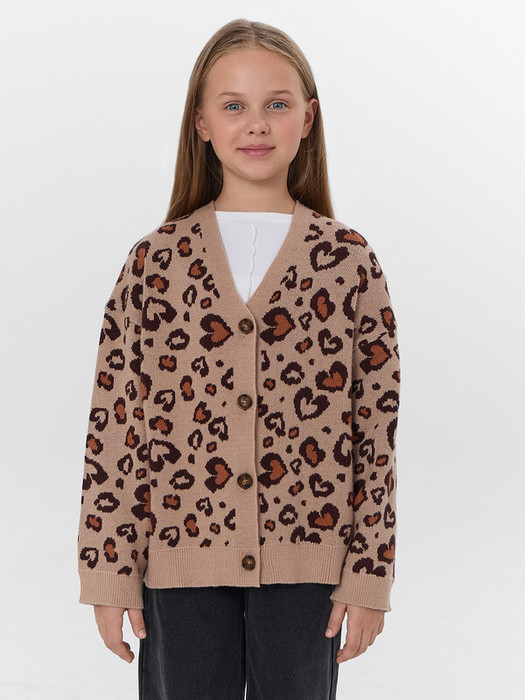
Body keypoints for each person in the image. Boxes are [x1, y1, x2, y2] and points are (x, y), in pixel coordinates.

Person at [77, 18, 401, 700]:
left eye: (276, 103)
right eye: (233, 105)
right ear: (200, 122)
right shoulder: (154, 263)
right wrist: (109, 571)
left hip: (309, 566)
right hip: (178, 563)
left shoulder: (346, 261)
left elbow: (375, 431)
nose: (256, 124)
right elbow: (116, 425)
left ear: (307, 118)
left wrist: (370, 574)